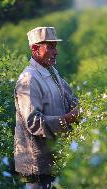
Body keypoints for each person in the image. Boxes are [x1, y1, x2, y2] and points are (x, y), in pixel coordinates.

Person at [14, 27, 79, 189]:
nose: (56, 52)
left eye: (55, 46)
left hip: (54, 157)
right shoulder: (29, 79)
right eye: (50, 47)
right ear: (35, 49)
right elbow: (33, 123)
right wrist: (68, 119)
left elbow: (70, 98)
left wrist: (79, 107)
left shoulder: (52, 72)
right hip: (38, 164)